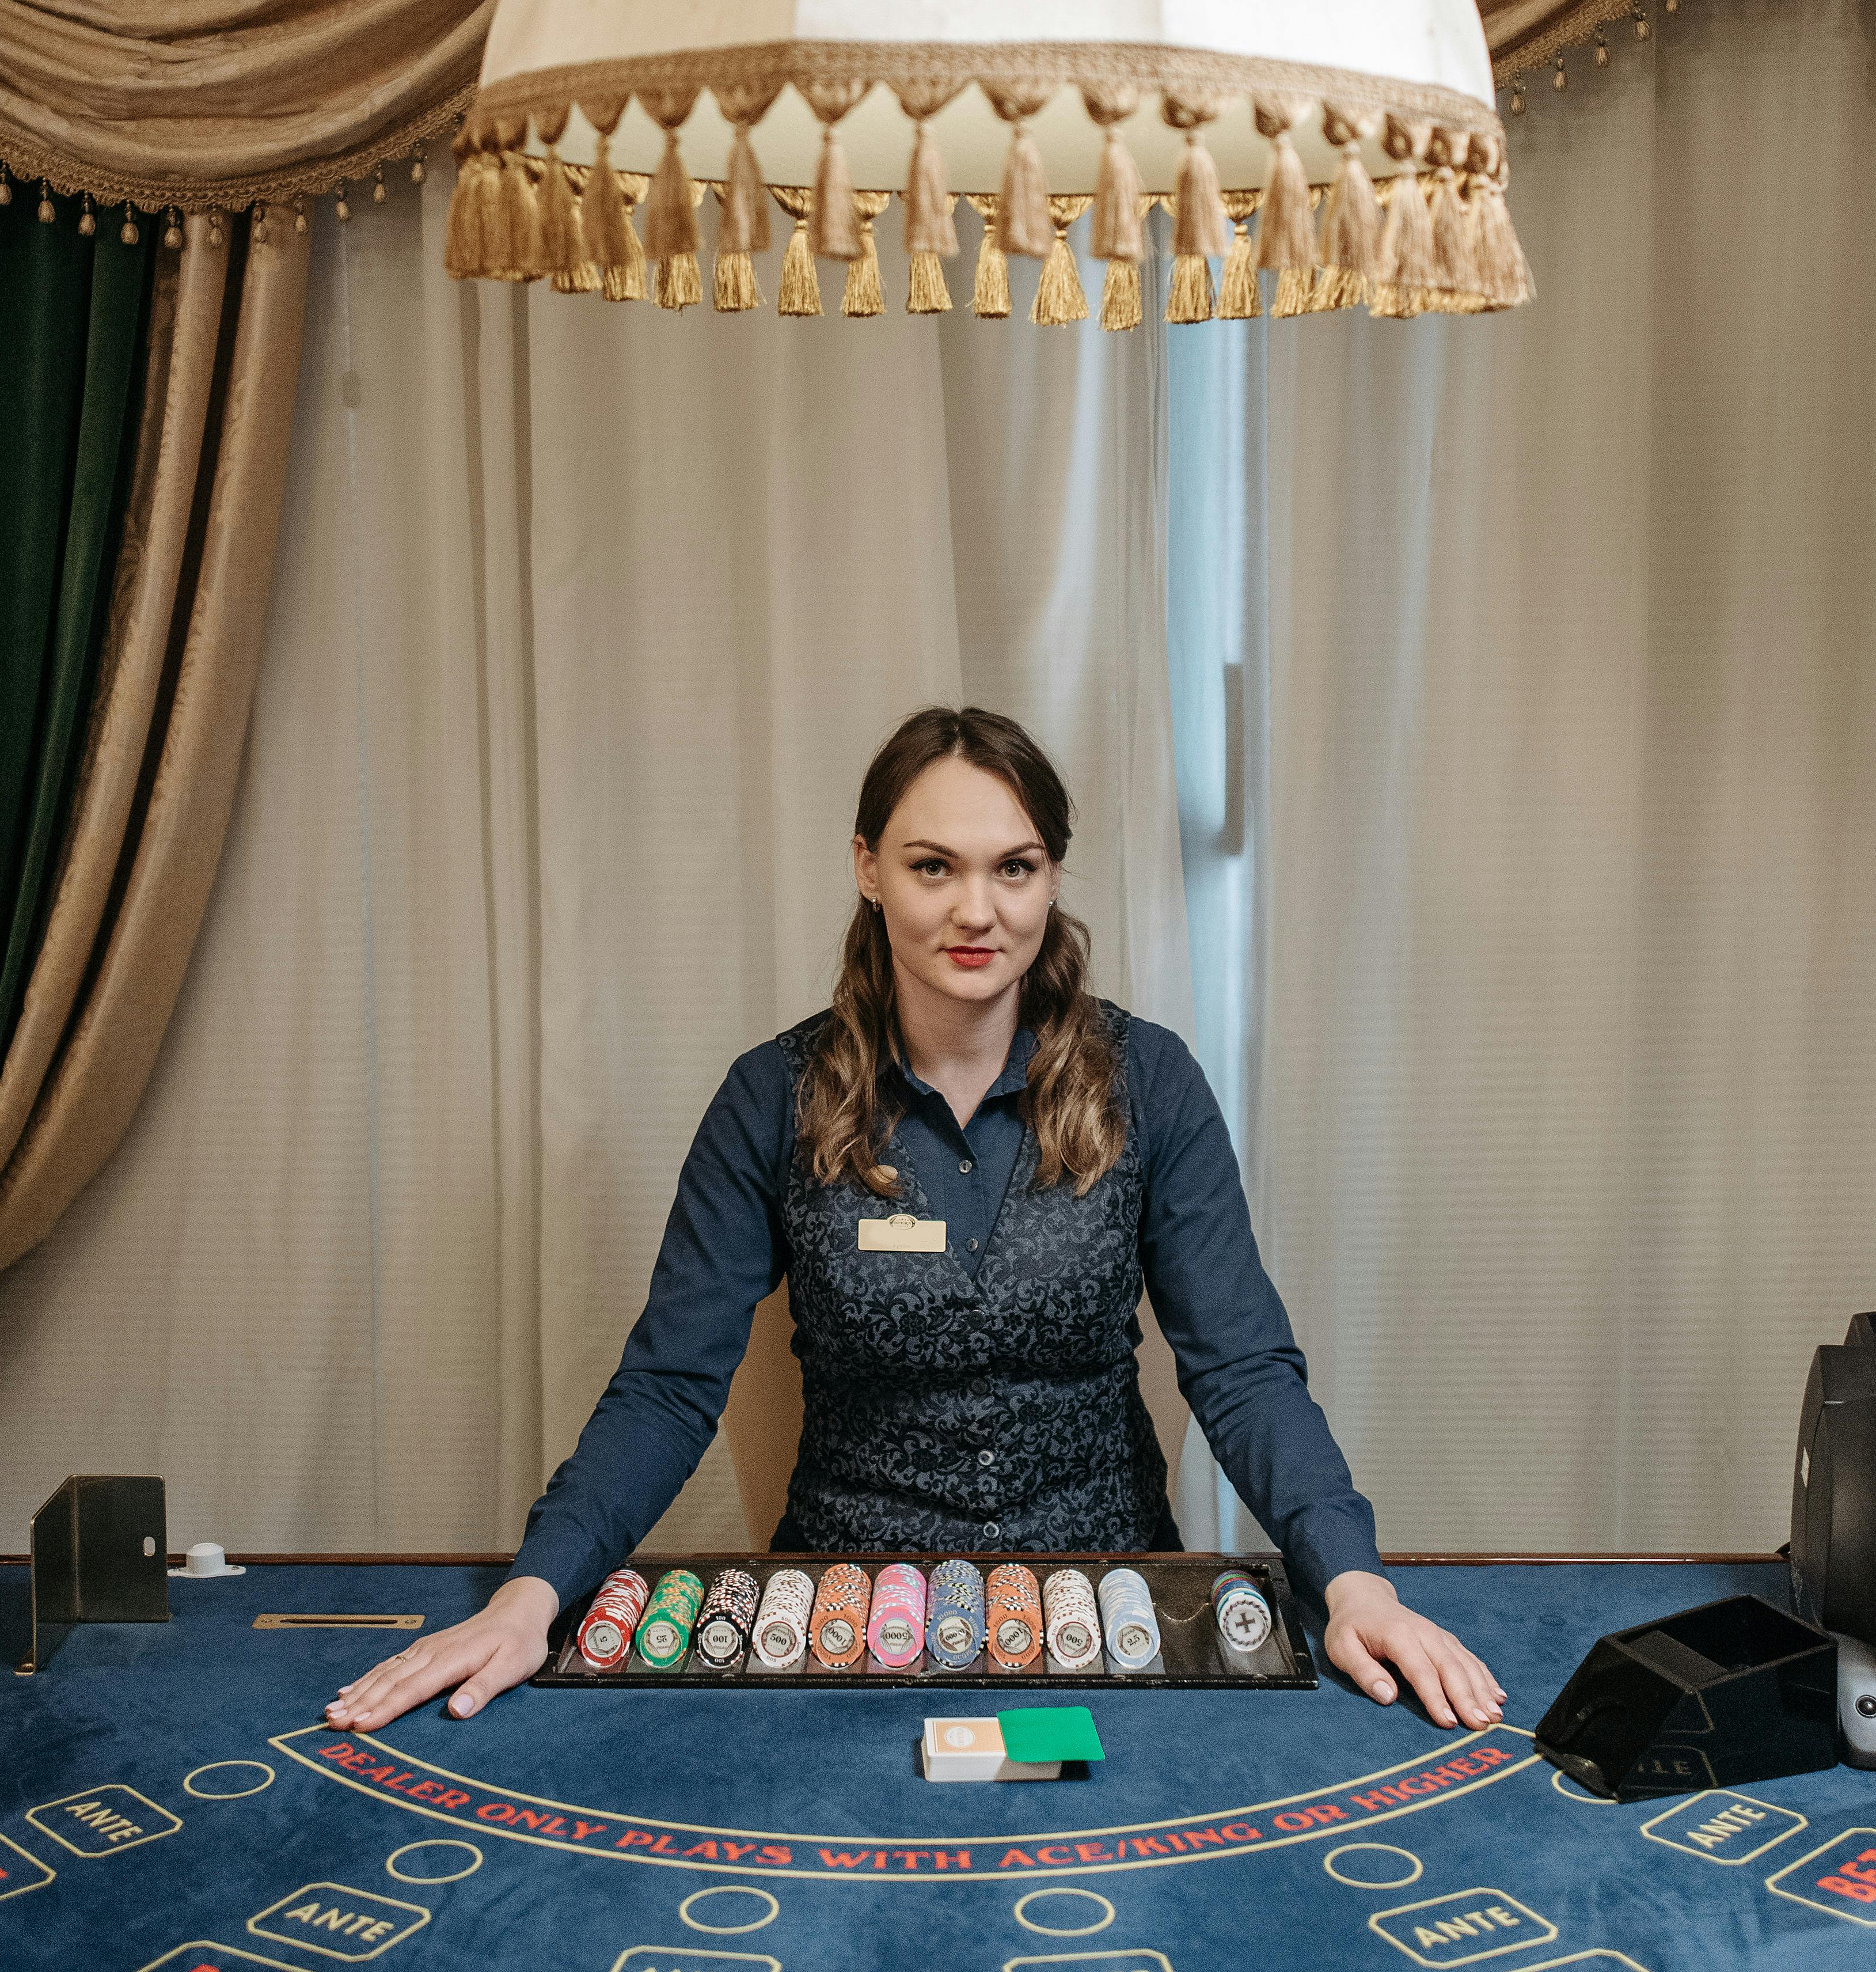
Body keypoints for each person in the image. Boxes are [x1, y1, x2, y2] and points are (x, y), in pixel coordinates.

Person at [326, 707, 1503, 1737]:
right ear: (867, 868)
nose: (976, 910)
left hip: (1107, 1607)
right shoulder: (767, 1097)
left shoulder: (1150, 1083)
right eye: (933, 866)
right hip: (841, 1621)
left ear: (1052, 876)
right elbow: (669, 1384)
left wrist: (1351, 1582)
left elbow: (1240, 1368)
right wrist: (533, 1596)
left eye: (1015, 867)